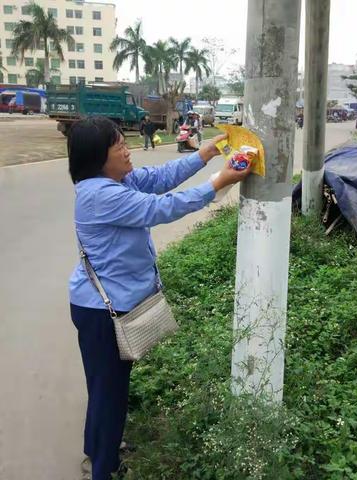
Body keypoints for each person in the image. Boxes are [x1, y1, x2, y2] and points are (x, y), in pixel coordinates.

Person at [68, 116, 251, 480]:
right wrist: (219, 181)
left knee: (104, 387)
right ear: (97, 156)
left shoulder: (116, 181)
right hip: (104, 311)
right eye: (118, 145)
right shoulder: (101, 195)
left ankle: (97, 448)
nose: (126, 149)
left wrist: (205, 153)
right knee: (110, 393)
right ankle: (104, 469)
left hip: (102, 306)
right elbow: (160, 208)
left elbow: (159, 179)